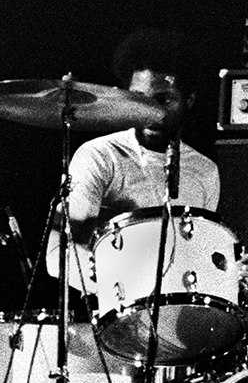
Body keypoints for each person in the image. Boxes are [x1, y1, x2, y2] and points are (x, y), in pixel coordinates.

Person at [64, 28, 220, 237]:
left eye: (163, 99)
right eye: (139, 98)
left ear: (188, 100)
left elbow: (199, 255)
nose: (150, 111)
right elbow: (60, 256)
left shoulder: (205, 170)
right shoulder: (100, 156)